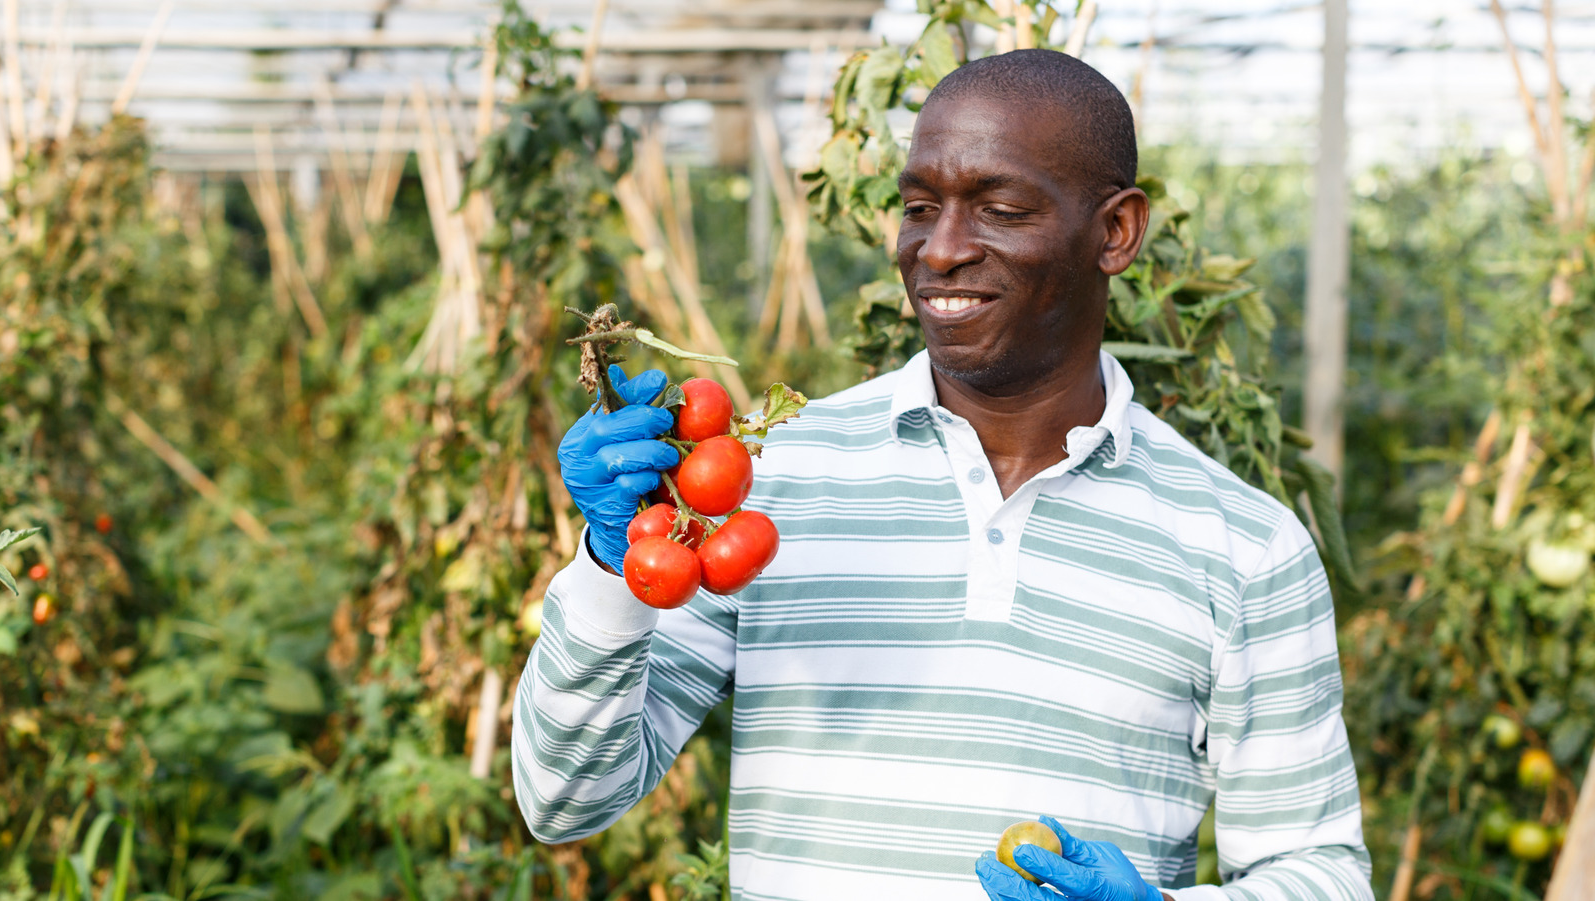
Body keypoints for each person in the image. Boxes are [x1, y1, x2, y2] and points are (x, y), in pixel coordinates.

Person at [513, 49, 1373, 901]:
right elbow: (566, 798)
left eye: (998, 208)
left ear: (1116, 231)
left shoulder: (1241, 545)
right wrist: (608, 564)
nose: (941, 249)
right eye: (920, 207)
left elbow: (1323, 873)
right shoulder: (766, 478)